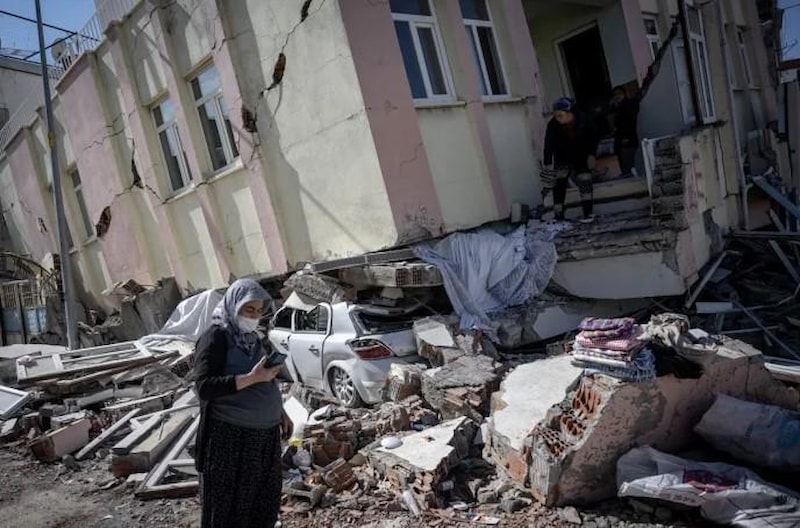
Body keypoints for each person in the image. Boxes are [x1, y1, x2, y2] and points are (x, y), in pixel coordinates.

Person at [193, 278, 292, 528]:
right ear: (233, 305)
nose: (254, 316)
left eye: (258, 311)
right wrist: (251, 378)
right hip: (231, 439)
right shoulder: (215, 338)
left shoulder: (253, 340)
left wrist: (281, 412)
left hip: (264, 437)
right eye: (249, 309)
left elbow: (265, 380)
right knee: (229, 509)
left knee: (262, 503)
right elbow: (204, 386)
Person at [542, 97, 599, 223]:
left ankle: (588, 212)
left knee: (585, 181)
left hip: (581, 155)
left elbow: (593, 138)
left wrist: (592, 154)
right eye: (556, 116)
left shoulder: (583, 120)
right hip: (562, 156)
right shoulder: (553, 125)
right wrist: (547, 163)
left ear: (570, 113)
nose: (558, 119)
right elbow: (548, 144)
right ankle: (558, 215)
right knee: (559, 184)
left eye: (560, 115)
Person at [611, 85, 640, 178]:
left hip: (628, 139)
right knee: (625, 162)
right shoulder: (618, 107)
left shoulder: (628, 106)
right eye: (615, 95)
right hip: (623, 139)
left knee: (628, 162)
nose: (617, 96)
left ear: (624, 94)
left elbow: (630, 122)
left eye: (619, 94)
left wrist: (627, 137)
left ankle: (629, 175)